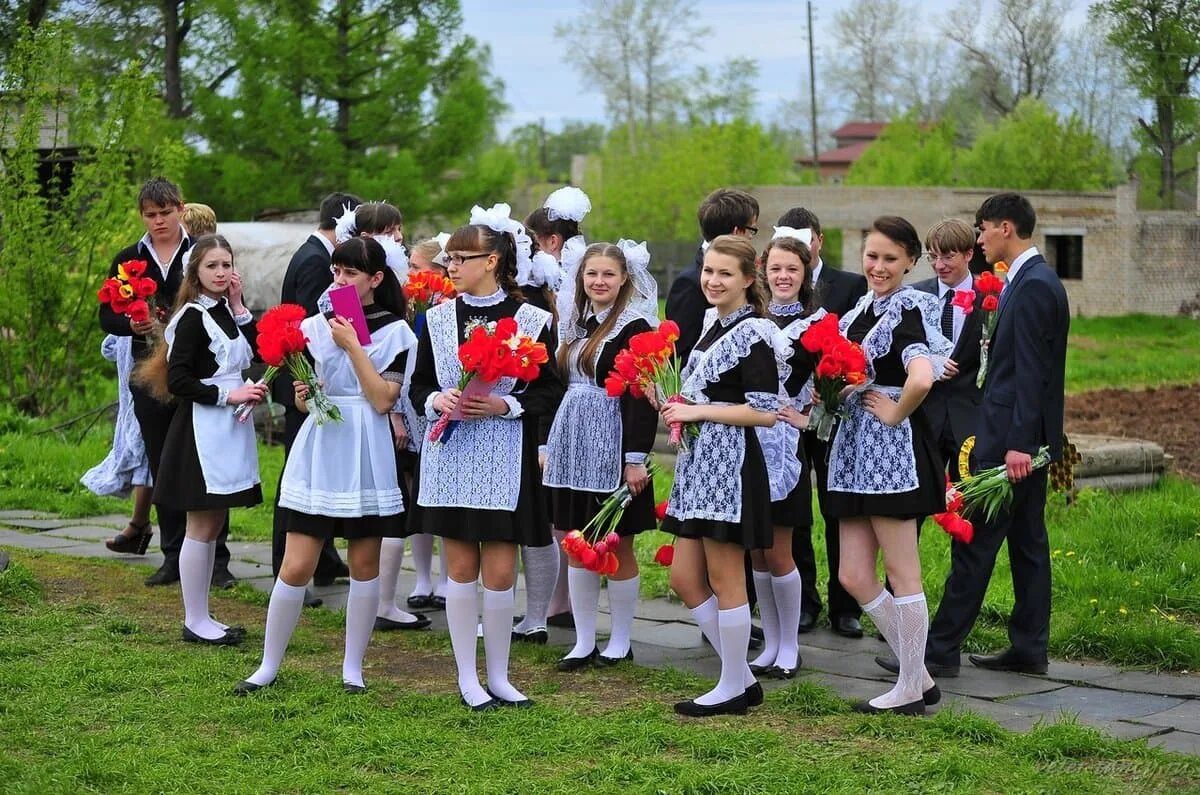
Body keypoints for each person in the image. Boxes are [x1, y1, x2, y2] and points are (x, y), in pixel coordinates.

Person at [235, 236, 417, 695]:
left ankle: (352, 669)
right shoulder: (316, 327)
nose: (339, 280)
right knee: (295, 564)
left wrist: (354, 346)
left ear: (376, 279)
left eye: (350, 273)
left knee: (363, 563)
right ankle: (268, 665)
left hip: (367, 446)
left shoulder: (397, 331)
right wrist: (302, 396)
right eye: (336, 271)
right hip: (321, 443)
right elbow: (306, 398)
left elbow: (381, 399)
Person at [405, 209, 563, 710]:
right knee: (460, 568)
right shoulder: (434, 317)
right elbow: (419, 384)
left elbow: (550, 392)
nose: (449, 265)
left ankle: (499, 675)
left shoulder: (532, 320)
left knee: (499, 571)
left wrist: (504, 404)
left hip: (504, 452)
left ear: (492, 260)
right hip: (449, 455)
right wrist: (437, 401)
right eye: (448, 257)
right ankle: (466, 678)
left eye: (460, 257)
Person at [920, 193, 1069, 677]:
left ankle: (939, 652)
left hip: (1013, 445)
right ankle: (1029, 648)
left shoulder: (1032, 287)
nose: (979, 238)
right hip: (1022, 439)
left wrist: (1019, 445)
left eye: (982, 229)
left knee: (975, 545)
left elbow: (1031, 372)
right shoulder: (1025, 281)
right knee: (1027, 544)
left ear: (1006, 227)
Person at [825, 216, 952, 715]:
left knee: (903, 573)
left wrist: (896, 411)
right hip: (854, 450)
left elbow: (921, 377)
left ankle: (909, 688)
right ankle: (918, 675)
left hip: (893, 452)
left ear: (910, 263)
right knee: (854, 573)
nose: (878, 267)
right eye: (872, 256)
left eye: (891, 259)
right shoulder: (861, 308)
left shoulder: (913, 307)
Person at [663, 235, 782, 717]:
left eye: (725, 273)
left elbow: (767, 413)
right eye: (708, 271)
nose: (713, 281)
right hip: (699, 463)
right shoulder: (713, 323)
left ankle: (732, 685)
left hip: (730, 465)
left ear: (749, 279)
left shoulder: (755, 332)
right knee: (684, 578)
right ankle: (743, 677)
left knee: (724, 576)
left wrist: (699, 412)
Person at [100, 177, 235, 588]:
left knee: (209, 465)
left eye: (165, 212)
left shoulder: (203, 253)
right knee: (162, 465)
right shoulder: (128, 258)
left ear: (180, 208)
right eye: (150, 214)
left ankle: (217, 561)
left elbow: (223, 299)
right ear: (142, 215)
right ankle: (173, 555)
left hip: (198, 371)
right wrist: (131, 322)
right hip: (149, 374)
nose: (159, 221)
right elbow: (106, 314)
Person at [874, 218, 986, 676]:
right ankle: (906, 640)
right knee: (901, 526)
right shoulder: (914, 296)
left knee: (970, 532)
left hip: (970, 428)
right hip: (917, 423)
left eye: (951, 256)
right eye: (935, 256)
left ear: (969, 256)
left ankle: (945, 645)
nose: (941, 265)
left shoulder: (991, 299)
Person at [145, 234, 267, 645]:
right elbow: (178, 379)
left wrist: (238, 307)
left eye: (227, 265)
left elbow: (256, 354)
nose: (221, 272)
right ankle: (194, 619)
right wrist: (228, 394)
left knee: (214, 522)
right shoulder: (192, 317)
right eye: (212, 265)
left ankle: (203, 614)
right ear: (195, 272)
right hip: (203, 429)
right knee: (200, 523)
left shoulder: (224, 311)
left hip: (230, 427)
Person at [544, 241, 659, 671]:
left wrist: (634, 458)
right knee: (576, 542)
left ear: (624, 278)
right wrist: (546, 445)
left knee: (616, 544)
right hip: (572, 441)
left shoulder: (635, 326)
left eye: (608, 274)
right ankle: (584, 639)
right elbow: (556, 387)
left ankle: (622, 639)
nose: (599, 281)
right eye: (592, 274)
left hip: (614, 442)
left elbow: (641, 397)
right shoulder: (576, 323)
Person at [778, 206, 869, 638]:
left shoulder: (849, 285)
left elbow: (855, 346)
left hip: (832, 414)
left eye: (806, 237)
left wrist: (832, 387)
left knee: (837, 509)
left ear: (819, 240)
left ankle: (845, 606)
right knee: (796, 512)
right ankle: (804, 603)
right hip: (786, 419)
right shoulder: (770, 292)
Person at [272, 192, 361, 606]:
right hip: (305, 385)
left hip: (314, 385)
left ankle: (323, 558)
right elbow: (310, 325)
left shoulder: (314, 254)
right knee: (299, 479)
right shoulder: (314, 261)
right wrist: (313, 383)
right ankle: (286, 568)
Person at [748, 228, 824, 680]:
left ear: (805, 273)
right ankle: (770, 640)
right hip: (747, 439)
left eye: (791, 268)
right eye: (775, 267)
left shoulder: (818, 326)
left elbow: (836, 384)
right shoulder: (749, 320)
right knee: (756, 549)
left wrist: (806, 418)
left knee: (779, 550)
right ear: (763, 270)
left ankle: (791, 645)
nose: (782, 275)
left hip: (784, 446)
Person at [665, 189, 759, 364]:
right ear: (737, 232)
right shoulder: (690, 283)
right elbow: (680, 352)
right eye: (751, 230)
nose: (751, 238)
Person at [84, 336, 155, 554]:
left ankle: (142, 525)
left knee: (149, 446)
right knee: (143, 445)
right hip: (142, 356)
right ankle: (140, 524)